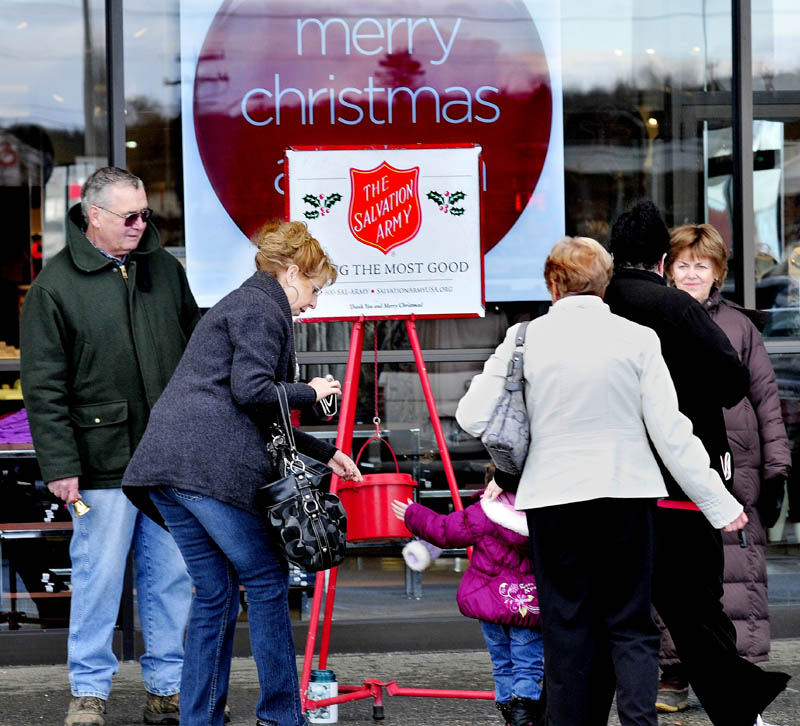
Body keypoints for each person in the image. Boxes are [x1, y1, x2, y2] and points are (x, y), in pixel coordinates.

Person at [455, 235, 746, 726]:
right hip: (627, 497)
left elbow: (471, 415)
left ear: (553, 283)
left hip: (552, 500)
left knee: (567, 626)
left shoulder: (524, 339)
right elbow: (672, 433)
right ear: (605, 283)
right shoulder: (637, 339)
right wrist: (719, 504)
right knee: (630, 625)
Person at [121, 220, 362, 726]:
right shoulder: (261, 306)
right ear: (292, 271)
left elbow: (249, 406)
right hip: (205, 471)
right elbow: (252, 390)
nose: (313, 303)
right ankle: (280, 715)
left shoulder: (245, 303)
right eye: (314, 289)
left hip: (170, 468)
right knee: (268, 582)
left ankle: (200, 718)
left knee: (215, 594)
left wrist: (323, 450)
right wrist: (312, 392)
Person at [19, 167, 200, 726]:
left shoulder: (164, 269)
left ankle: (166, 688)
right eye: (129, 217)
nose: (140, 226)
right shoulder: (55, 286)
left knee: (171, 577)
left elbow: (197, 354)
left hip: (167, 457)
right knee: (97, 577)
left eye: (146, 215)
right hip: (98, 462)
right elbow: (43, 387)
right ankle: (89, 691)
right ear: (93, 215)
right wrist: (60, 465)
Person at [604, 200, 790, 726]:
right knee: (697, 610)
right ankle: (738, 713)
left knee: (603, 611)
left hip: (608, 480)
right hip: (683, 481)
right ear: (663, 259)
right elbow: (735, 382)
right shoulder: (676, 308)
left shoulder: (597, 302)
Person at [654, 223, 792, 708]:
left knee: (738, 570)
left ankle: (741, 673)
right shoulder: (658, 319)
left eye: (702, 266)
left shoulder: (740, 326)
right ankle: (674, 673)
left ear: (718, 273)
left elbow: (766, 400)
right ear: (667, 269)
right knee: (681, 574)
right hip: (676, 463)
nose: (692, 274)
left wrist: (777, 468)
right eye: (683, 264)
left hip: (739, 466)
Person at [391, 467, 545, 726]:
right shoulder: (543, 516)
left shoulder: (483, 514)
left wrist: (412, 513)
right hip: (528, 607)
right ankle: (524, 713)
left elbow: (445, 531)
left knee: (502, 662)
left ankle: (508, 709)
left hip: (489, 606)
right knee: (527, 663)